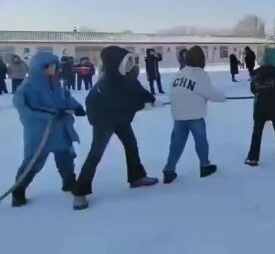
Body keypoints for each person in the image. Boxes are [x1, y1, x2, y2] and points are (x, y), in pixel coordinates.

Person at [73, 46, 160, 210]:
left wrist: (150, 99)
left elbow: (137, 90)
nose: (130, 64)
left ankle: (137, 177)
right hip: (103, 119)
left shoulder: (126, 76)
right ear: (115, 63)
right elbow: (121, 102)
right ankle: (80, 192)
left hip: (119, 117)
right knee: (96, 153)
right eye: (126, 61)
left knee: (131, 145)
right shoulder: (108, 82)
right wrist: (141, 105)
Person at [10, 53, 86, 207]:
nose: (53, 69)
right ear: (39, 68)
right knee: (33, 161)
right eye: (49, 66)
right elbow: (24, 110)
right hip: (39, 133)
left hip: (59, 130)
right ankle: (18, 190)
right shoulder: (27, 87)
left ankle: (69, 181)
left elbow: (66, 98)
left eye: (55, 66)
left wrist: (76, 107)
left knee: (66, 157)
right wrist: (48, 115)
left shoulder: (57, 84)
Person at [163, 46, 226, 184]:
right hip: (195, 115)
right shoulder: (200, 74)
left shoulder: (178, 74)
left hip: (178, 115)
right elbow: (210, 93)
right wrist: (223, 97)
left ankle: (169, 169)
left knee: (176, 143)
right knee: (201, 141)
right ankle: (205, 166)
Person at [245, 47, 275, 166]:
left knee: (257, 132)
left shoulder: (256, 72)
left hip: (260, 107)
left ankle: (253, 157)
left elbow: (253, 89)